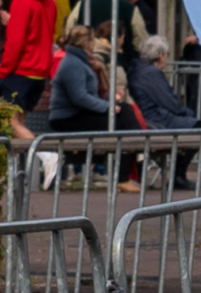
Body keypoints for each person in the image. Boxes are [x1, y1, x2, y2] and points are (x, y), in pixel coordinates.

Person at [48, 21, 145, 189]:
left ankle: (137, 150)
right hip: (67, 118)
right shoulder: (72, 63)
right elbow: (79, 97)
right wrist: (107, 108)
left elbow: (89, 96)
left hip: (77, 115)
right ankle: (133, 159)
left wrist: (109, 101)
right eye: (92, 40)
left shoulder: (80, 61)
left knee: (125, 111)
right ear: (87, 43)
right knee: (119, 121)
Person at [0, 0, 63, 110]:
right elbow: (45, 32)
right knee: (19, 122)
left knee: (9, 124)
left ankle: (32, 137)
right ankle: (32, 137)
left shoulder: (21, 0)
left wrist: (3, 71)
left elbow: (16, 41)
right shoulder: (50, 1)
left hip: (22, 70)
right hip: (41, 71)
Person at [129, 34, 199, 131]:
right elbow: (169, 102)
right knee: (198, 124)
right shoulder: (151, 73)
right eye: (167, 54)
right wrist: (189, 113)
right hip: (157, 119)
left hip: (151, 116)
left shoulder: (139, 68)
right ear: (161, 55)